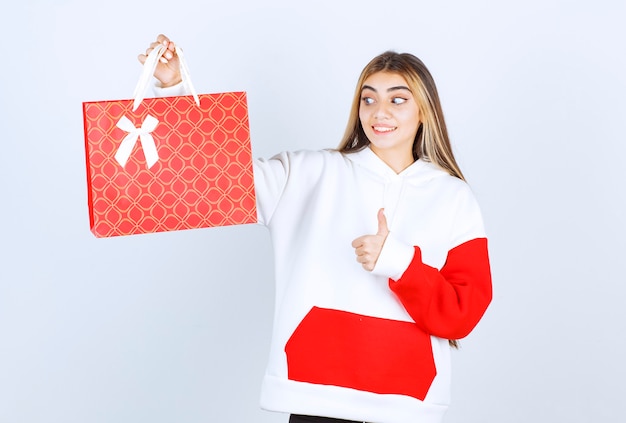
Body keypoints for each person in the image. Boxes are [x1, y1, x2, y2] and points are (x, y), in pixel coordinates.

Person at [139, 34, 492, 423]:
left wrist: (399, 261)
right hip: (316, 397)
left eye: (397, 99)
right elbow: (216, 179)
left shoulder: (453, 198)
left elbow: (464, 312)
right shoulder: (308, 173)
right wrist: (172, 86)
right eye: (368, 98)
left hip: (407, 405)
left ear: (424, 111)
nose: (379, 112)